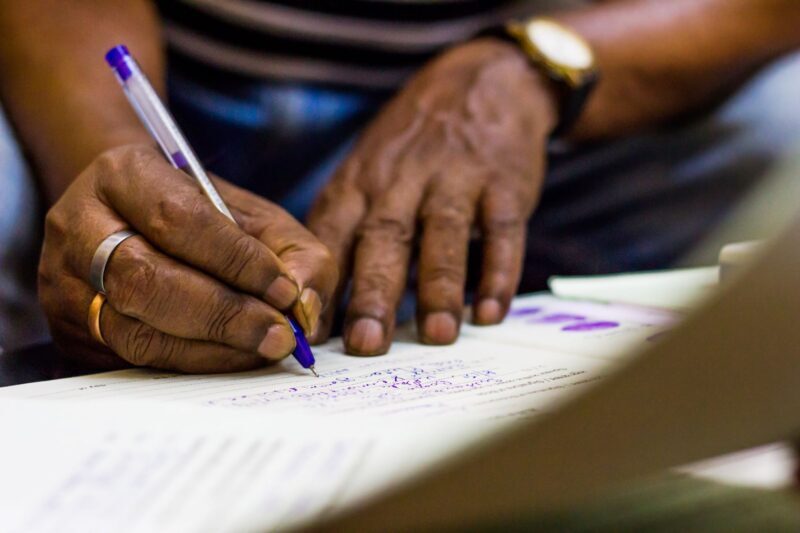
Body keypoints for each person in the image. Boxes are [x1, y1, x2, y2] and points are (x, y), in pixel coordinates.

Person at [0, 0, 799, 371]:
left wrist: (536, 65)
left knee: (783, 128)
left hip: (565, 106)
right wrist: (105, 161)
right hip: (149, 83)